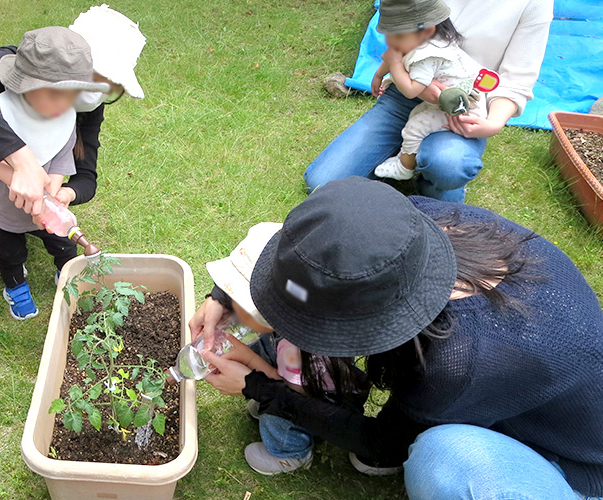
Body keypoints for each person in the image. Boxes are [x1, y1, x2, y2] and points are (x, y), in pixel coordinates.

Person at [197, 177, 603, 498]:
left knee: (439, 457)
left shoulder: (456, 360)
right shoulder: (401, 224)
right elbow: (315, 249)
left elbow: (381, 445)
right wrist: (223, 298)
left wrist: (259, 386)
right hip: (510, 385)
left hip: (570, 464)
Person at [0, 4, 146, 268]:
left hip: (16, 170)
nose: (95, 92)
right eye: (95, 76)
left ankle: (4, 233)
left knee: (16, 199)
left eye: (109, 87)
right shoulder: (26, 63)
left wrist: (63, 195)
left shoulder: (88, 107)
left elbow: (86, 176)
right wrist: (22, 160)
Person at [303, 0, 552, 202]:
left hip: (458, 109)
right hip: (403, 99)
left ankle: (426, 170)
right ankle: (406, 158)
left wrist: (494, 122)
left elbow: (517, 79)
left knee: (447, 165)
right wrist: (402, 76)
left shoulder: (534, 4)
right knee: (323, 182)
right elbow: (401, 39)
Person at [202, 222, 367, 475]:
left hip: (309, 396)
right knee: (262, 352)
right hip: (296, 372)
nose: (236, 309)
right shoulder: (306, 306)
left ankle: (290, 452)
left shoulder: (299, 350)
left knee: (278, 415)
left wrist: (250, 367)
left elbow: (289, 395)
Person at [0, 26, 107, 320]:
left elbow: (60, 157)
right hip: (2, 204)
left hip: (44, 206)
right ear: (27, 87)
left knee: (62, 243)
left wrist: (50, 196)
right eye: (55, 96)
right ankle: (16, 287)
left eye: (72, 96)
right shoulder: (0, 109)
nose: (64, 105)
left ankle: (66, 274)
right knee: (9, 252)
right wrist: (19, 182)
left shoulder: (65, 117)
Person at [369, 0, 489, 181]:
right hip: (440, 102)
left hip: (461, 108)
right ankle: (408, 153)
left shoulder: (428, 55)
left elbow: (411, 90)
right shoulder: (418, 39)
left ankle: (404, 167)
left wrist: (394, 64)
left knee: (416, 127)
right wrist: (379, 75)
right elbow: (395, 53)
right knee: (416, 115)